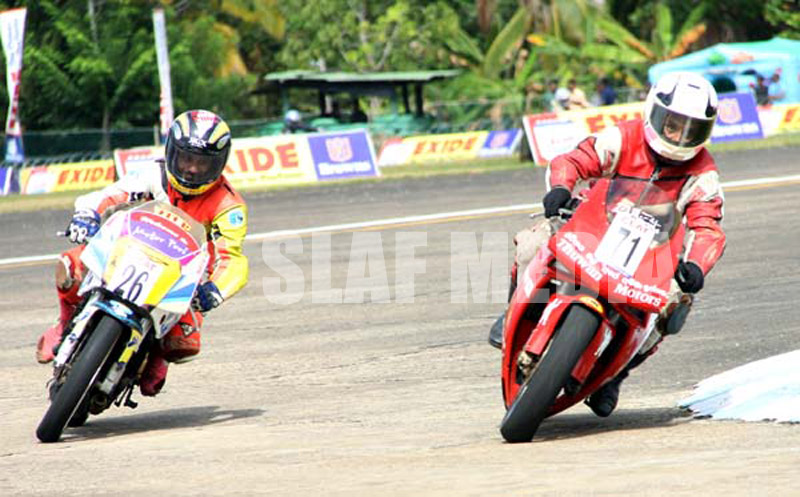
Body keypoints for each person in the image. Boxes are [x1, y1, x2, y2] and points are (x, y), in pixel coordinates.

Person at [488, 71, 726, 417]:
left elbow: (708, 227)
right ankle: (515, 308)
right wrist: (561, 189)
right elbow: (573, 160)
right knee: (532, 243)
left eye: (692, 130)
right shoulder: (623, 137)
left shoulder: (702, 172)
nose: (680, 137)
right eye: (673, 125)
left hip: (651, 251)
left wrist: (696, 265)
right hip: (591, 223)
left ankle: (615, 376)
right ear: (655, 112)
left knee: (673, 306)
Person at [36, 109, 249, 397]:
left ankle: (155, 356)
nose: (192, 169)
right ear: (171, 151)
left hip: (182, 276)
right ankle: (64, 324)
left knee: (183, 344)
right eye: (186, 158)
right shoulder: (153, 173)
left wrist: (215, 291)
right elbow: (108, 196)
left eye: (203, 163)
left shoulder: (229, 205)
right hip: (129, 249)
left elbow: (233, 259)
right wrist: (86, 216)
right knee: (69, 268)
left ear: (220, 163)